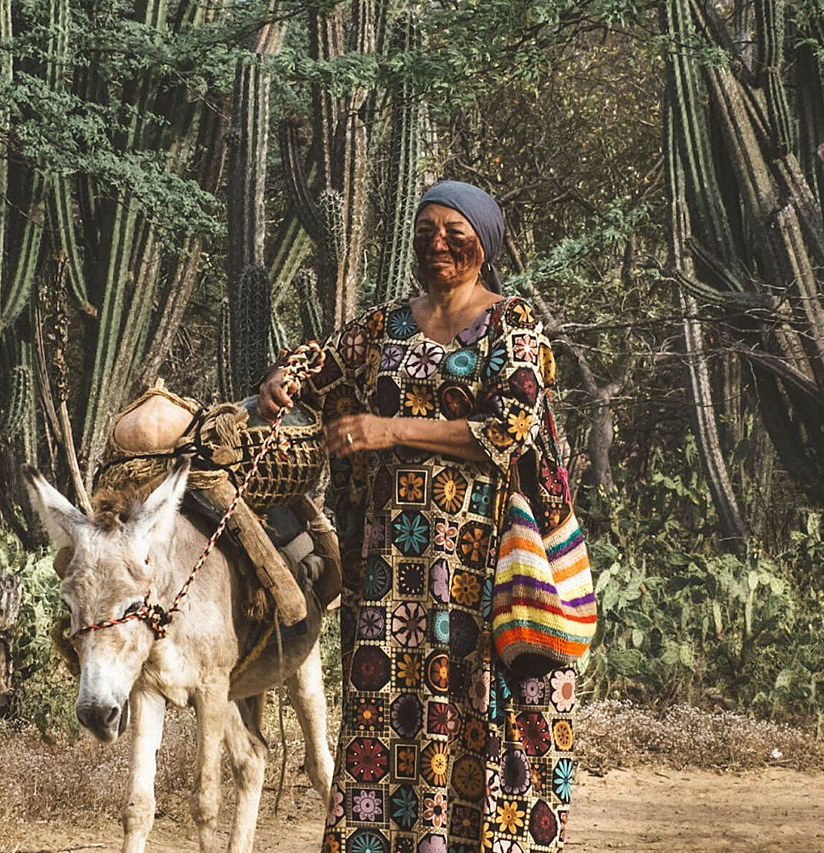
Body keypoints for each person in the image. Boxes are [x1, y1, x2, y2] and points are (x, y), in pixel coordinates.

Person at [259, 181, 577, 853]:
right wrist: (282, 378)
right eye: (426, 229)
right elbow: (321, 366)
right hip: (389, 568)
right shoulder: (382, 326)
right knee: (385, 705)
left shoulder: (512, 324)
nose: (438, 243)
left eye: (454, 232)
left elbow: (510, 425)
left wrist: (386, 428)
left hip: (475, 561)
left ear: (484, 244)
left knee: (469, 703)